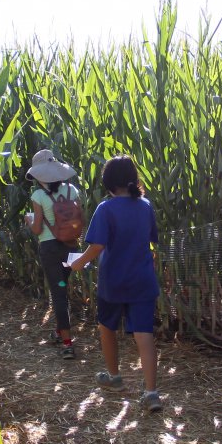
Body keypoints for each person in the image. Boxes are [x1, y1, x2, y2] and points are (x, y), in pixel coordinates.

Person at [69, 155, 163, 412]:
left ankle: (114, 377)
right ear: (133, 178)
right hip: (142, 280)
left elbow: (97, 246)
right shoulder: (145, 206)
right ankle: (152, 393)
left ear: (108, 182)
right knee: (144, 334)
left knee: (106, 327)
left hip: (114, 281)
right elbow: (150, 239)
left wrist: (79, 263)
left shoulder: (106, 209)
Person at [25, 149, 81, 359]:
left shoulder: (38, 195)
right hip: (71, 247)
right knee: (62, 286)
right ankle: (59, 331)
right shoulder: (72, 190)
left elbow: (37, 229)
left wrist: (29, 220)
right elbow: (78, 219)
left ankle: (67, 344)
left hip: (50, 249)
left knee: (58, 294)